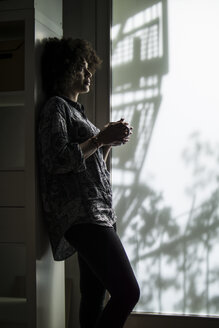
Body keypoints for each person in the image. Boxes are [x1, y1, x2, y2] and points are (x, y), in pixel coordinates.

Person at [38, 37, 140, 328]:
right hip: (83, 217)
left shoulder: (74, 112)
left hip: (97, 213)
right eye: (83, 68)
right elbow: (56, 159)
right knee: (128, 293)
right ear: (65, 70)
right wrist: (99, 139)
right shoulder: (56, 108)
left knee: (94, 296)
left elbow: (88, 168)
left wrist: (105, 144)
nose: (89, 74)